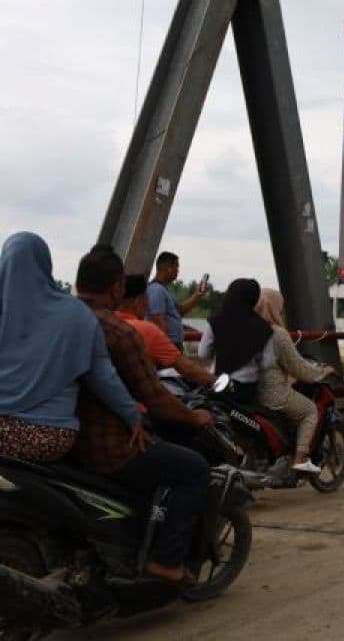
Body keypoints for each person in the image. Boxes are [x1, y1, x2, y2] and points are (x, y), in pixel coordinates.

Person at [72, 245, 212, 584]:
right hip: (107, 447)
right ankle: (165, 560)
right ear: (118, 288)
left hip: (60, 439)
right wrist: (195, 418)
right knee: (193, 468)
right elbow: (155, 397)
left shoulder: (58, 320)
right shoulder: (123, 333)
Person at [0, 233, 142, 463]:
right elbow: (104, 377)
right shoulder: (77, 315)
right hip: (50, 436)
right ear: (46, 265)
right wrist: (133, 416)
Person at [253, 287, 337, 472]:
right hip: (273, 394)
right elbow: (299, 368)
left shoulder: (244, 330)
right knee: (310, 411)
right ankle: (300, 459)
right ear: (273, 308)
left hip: (249, 394)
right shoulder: (277, 334)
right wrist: (322, 372)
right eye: (279, 309)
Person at [116, 274, 215, 388]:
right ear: (138, 301)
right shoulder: (146, 330)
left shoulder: (105, 322)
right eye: (146, 300)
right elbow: (188, 369)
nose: (148, 305)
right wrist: (217, 381)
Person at [145, 250, 207, 349]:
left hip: (173, 344)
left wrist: (197, 296)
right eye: (176, 267)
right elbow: (157, 320)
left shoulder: (165, 289)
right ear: (168, 268)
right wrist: (167, 348)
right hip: (168, 346)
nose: (178, 270)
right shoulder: (156, 290)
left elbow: (179, 311)